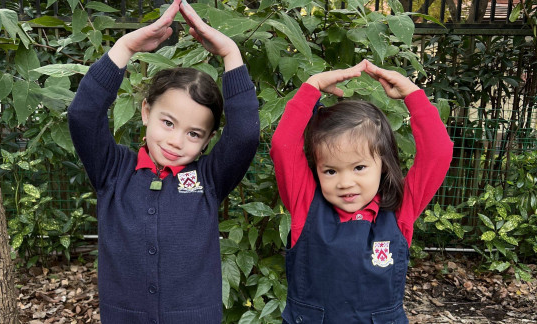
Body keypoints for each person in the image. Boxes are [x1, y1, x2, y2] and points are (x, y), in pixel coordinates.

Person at [67, 0, 259, 322]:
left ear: (208, 139)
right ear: (145, 112)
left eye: (194, 133)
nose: (175, 141)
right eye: (168, 123)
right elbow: (84, 115)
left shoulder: (208, 180)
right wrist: (126, 46)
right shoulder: (113, 171)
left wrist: (229, 52)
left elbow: (245, 136)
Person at [270, 60, 453, 323]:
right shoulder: (306, 205)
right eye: (330, 171)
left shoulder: (400, 211)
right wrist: (313, 86)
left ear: (383, 165)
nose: (345, 182)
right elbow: (282, 147)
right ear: (317, 170)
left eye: (359, 167)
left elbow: (438, 153)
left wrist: (413, 95)